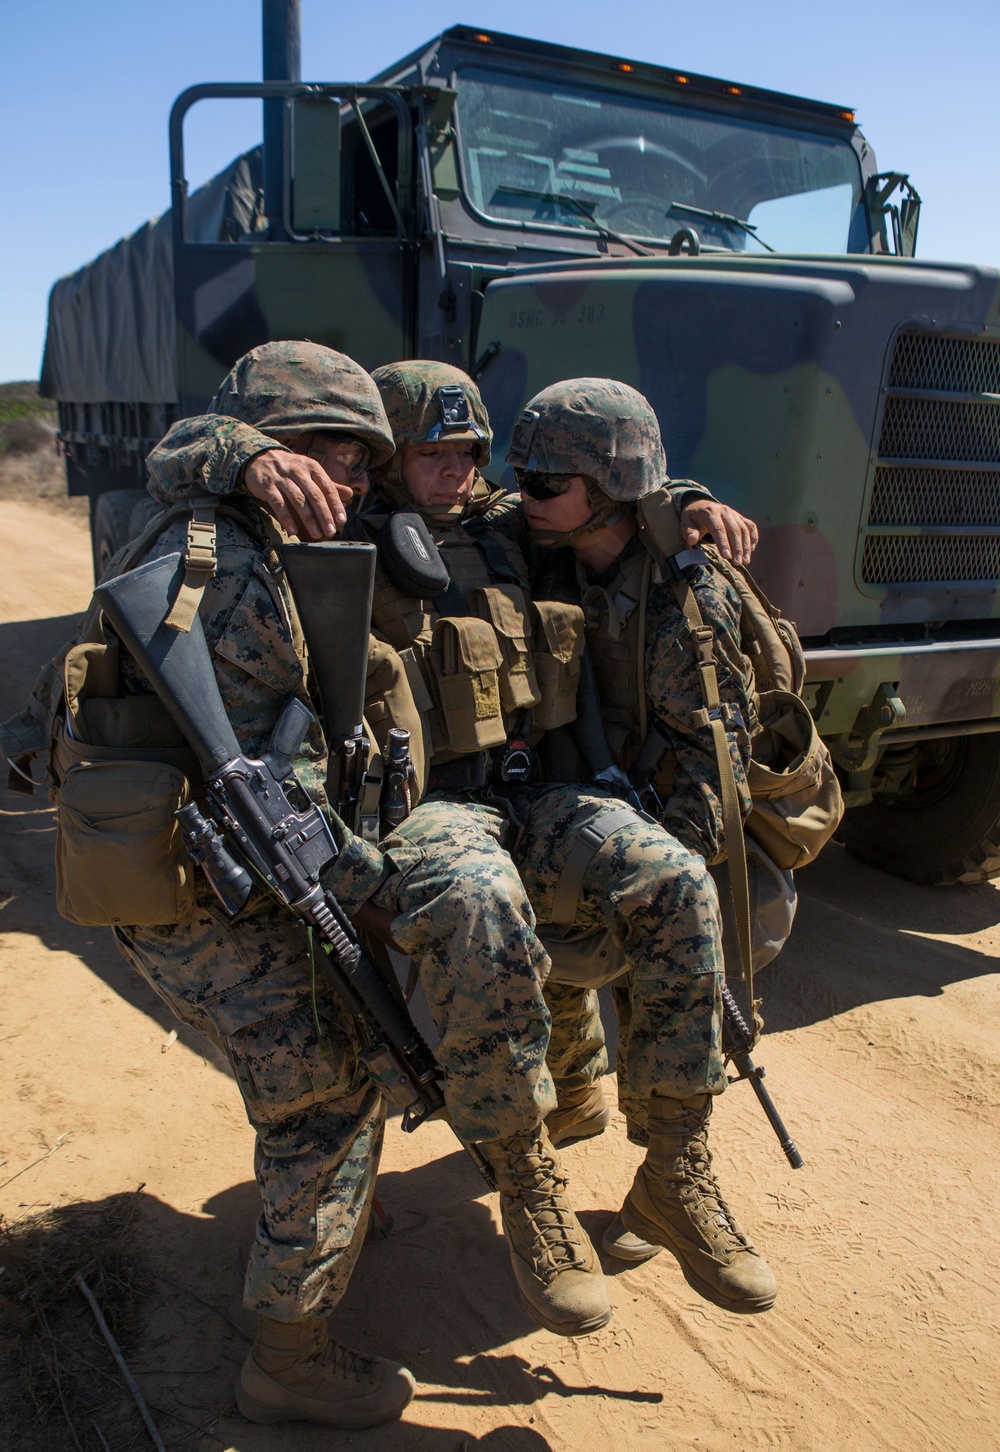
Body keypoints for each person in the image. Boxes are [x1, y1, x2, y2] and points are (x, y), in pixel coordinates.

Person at [149, 355, 769, 1322]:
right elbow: (178, 459)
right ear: (387, 460)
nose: (454, 470)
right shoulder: (330, 524)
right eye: (430, 452)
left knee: (674, 880)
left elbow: (611, 494)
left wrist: (684, 499)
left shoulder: (517, 530)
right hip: (425, 810)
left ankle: (676, 1171)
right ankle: (528, 1185)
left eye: (471, 451)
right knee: (477, 906)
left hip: (541, 790)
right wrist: (246, 451)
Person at [104, 342, 422, 1429]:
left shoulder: (234, 530)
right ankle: (287, 1357)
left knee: (323, 1058)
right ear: (280, 452)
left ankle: (328, 1220)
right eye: (340, 450)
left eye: (366, 458)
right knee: (328, 1095)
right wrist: (391, 892)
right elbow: (281, 796)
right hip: (206, 896)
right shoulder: (228, 560)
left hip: (206, 877)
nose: (358, 478)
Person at [505, 377, 776, 1306]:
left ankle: (670, 1174)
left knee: (660, 922)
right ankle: (574, 1090)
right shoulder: (553, 547)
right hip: (575, 797)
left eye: (545, 481)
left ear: (609, 488)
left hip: (668, 824)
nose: (522, 493)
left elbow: (712, 783)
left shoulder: (685, 602)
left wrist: (655, 880)